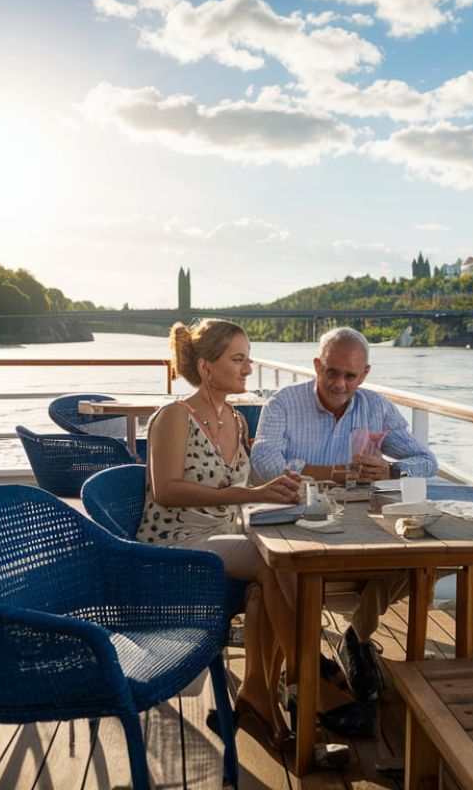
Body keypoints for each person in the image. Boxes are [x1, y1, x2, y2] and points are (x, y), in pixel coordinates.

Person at [252, 326, 438, 700]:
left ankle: (356, 633)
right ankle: (312, 667)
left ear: (364, 374)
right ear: (317, 365)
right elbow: (265, 463)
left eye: (350, 375)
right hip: (302, 521)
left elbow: (427, 461)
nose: (339, 383)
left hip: (363, 520)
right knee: (286, 568)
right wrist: (333, 473)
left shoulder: (377, 407)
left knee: (435, 559)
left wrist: (392, 471)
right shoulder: (283, 403)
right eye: (331, 372)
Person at [142, 318, 301, 749]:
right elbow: (166, 489)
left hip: (224, 538)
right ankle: (309, 681)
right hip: (173, 547)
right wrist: (251, 491)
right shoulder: (175, 416)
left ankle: (257, 699)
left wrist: (281, 496)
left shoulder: (236, 419)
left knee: (273, 577)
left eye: (248, 358)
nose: (249, 368)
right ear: (206, 366)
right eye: (238, 359)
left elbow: (238, 498)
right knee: (274, 564)